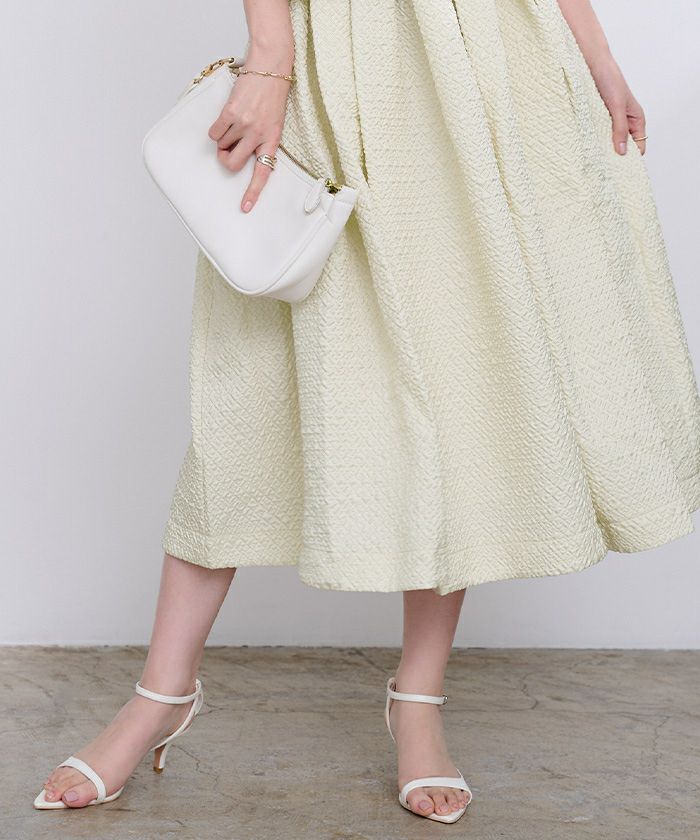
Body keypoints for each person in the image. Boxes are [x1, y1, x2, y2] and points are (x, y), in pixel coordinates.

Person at [35, 0, 700, 824]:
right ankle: (159, 694)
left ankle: (418, 699)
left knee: (458, 378)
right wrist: (269, 56)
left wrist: (598, 57)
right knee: (249, 388)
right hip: (333, 56)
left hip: (494, 60)